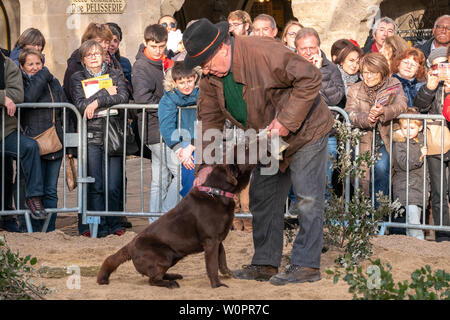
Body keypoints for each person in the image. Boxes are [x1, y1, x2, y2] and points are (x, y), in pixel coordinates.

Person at [183, 19, 334, 285]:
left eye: (206, 63)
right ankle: (265, 262)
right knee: (263, 195)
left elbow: (311, 78)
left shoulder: (264, 51)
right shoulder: (210, 78)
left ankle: (306, 265)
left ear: (223, 48)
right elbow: (209, 119)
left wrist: (286, 121)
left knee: (307, 198)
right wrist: (205, 164)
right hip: (269, 138)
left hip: (307, 130)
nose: (204, 71)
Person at [70, 40, 129, 237]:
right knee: (95, 185)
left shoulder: (115, 74)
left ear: (104, 55)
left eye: (97, 53)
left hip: (114, 134)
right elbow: (80, 105)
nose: (94, 57)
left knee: (113, 185)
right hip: (92, 136)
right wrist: (104, 93)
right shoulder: (77, 77)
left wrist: (96, 101)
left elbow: (123, 97)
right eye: (89, 54)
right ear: (83, 59)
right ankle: (96, 226)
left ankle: (113, 224)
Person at [346, 53, 407, 203]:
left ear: (382, 71)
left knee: (381, 168)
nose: (368, 76)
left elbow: (402, 105)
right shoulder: (354, 89)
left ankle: (378, 213)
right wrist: (366, 118)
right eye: (365, 72)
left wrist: (383, 111)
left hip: (384, 138)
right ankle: (366, 214)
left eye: (373, 72)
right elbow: (350, 112)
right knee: (362, 177)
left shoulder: (394, 84)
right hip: (363, 139)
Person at [132, 24, 177, 222]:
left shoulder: (168, 61)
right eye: (154, 46)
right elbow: (143, 98)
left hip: (166, 126)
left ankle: (154, 220)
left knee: (160, 179)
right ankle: (165, 216)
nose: (158, 50)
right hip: (154, 128)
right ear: (145, 43)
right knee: (183, 174)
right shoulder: (141, 66)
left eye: (161, 46)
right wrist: (170, 106)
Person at [18, 48, 66, 232]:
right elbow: (29, 97)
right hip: (32, 142)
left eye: (38, 63)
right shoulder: (22, 82)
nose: (35, 67)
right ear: (22, 66)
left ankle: (49, 228)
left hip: (54, 141)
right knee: (32, 189)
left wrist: (66, 140)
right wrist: (43, 75)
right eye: (30, 64)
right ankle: (31, 228)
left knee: (51, 190)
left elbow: (63, 109)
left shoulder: (52, 82)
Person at [0, 50, 48, 223]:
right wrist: (3, 98)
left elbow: (17, 95)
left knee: (29, 146)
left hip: (5, 132)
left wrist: (7, 96)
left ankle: (34, 197)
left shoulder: (7, 64)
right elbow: (8, 96)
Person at [414, 46, 450, 242]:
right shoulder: (428, 84)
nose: (443, 69)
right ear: (432, 67)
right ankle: (444, 236)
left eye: (447, 64)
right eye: (438, 65)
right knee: (438, 191)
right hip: (436, 141)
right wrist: (430, 87)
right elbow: (419, 106)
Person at [158, 61, 200, 198]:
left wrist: (192, 146)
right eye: (182, 82)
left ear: (195, 78)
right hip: (183, 143)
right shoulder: (168, 99)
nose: (187, 86)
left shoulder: (204, 95)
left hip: (202, 139)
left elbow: (207, 119)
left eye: (189, 81)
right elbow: (166, 126)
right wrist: (180, 150)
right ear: (174, 82)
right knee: (189, 174)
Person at [392, 108, 428, 240]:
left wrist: (427, 187)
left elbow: (427, 168)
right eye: (405, 127)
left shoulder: (423, 141)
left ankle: (412, 243)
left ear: (419, 128)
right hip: (406, 186)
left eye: (412, 128)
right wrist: (420, 156)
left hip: (420, 186)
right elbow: (403, 164)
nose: (408, 131)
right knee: (413, 219)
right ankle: (419, 242)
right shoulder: (399, 143)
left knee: (413, 219)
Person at [63, 23, 115, 104]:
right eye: (100, 41)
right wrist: (104, 94)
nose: (104, 46)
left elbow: (122, 88)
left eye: (107, 42)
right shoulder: (75, 63)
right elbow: (72, 94)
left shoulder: (112, 60)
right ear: (88, 41)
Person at [107, 22, 133, 88]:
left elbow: (131, 87)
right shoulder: (95, 62)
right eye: (108, 40)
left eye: (115, 41)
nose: (112, 44)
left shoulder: (125, 62)